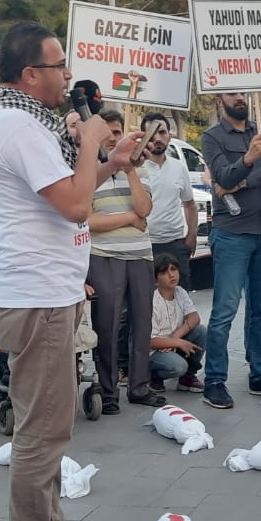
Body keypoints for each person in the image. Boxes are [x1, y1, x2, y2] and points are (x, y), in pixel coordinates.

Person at [0, 22, 138, 521]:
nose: (69, 75)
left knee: (52, 425)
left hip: (47, 293)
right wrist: (91, 141)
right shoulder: (16, 123)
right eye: (58, 65)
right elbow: (73, 206)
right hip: (35, 296)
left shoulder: (18, 118)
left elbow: (71, 189)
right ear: (28, 74)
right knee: (42, 433)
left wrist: (110, 160)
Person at [200, 93, 261, 410]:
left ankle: (259, 373)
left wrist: (243, 181)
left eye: (242, 92)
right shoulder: (212, 137)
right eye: (232, 93)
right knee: (225, 310)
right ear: (220, 98)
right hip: (233, 234)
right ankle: (214, 380)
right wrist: (248, 159)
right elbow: (222, 176)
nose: (239, 97)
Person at [87, 108, 166, 413]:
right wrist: (129, 217)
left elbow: (145, 209)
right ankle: (107, 392)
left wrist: (130, 169)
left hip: (140, 256)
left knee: (141, 324)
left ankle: (139, 387)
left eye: (117, 132)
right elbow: (88, 220)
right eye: (105, 133)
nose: (112, 138)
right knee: (106, 326)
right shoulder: (89, 172)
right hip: (104, 256)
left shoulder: (140, 170)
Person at [140, 113, 198, 290]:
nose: (157, 138)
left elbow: (189, 204)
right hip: (144, 246)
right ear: (143, 137)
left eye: (162, 132)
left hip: (175, 245)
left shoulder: (179, 167)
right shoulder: (134, 168)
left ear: (169, 135)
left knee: (180, 300)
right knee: (146, 301)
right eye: (151, 134)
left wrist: (192, 236)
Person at [149, 254, 206, 390]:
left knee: (201, 331)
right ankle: (153, 376)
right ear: (156, 281)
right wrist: (178, 342)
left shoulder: (180, 292)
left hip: (173, 343)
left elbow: (194, 317)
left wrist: (176, 337)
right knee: (178, 366)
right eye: (164, 272)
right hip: (154, 352)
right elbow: (150, 341)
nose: (171, 275)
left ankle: (187, 378)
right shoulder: (152, 301)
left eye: (173, 269)